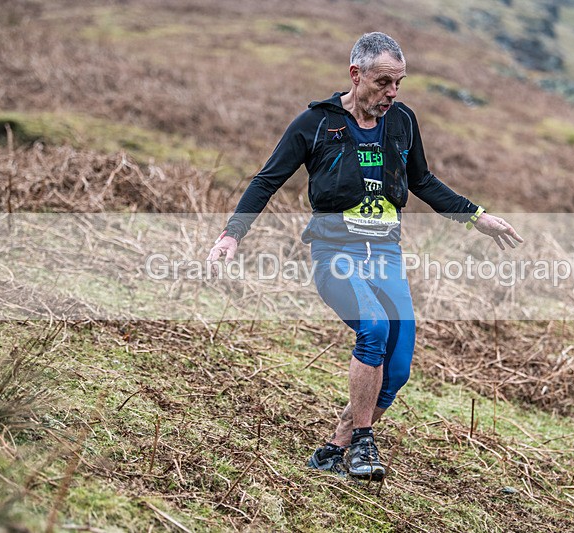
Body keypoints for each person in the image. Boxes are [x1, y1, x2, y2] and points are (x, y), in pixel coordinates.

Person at [207, 32, 523, 480]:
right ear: (356, 75)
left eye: (399, 83)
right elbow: (266, 180)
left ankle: (334, 449)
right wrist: (232, 234)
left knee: (398, 368)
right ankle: (364, 442)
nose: (392, 92)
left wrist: (476, 216)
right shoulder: (316, 123)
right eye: (383, 82)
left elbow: (422, 180)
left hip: (386, 256)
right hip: (336, 253)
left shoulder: (403, 121)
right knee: (373, 328)